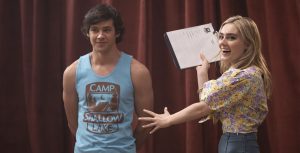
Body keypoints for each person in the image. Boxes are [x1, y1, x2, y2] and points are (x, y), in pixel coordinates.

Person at [139, 15, 272, 153]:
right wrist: (202, 73)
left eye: (231, 37)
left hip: (238, 144)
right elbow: (208, 103)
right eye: (221, 36)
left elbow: (202, 108)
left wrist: (169, 120)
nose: (222, 42)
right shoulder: (237, 73)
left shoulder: (244, 76)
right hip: (235, 143)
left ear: (248, 44)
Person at [62, 3, 154, 153]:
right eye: (94, 30)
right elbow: (72, 123)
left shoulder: (138, 72)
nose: (100, 35)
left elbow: (147, 122)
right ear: (87, 32)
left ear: (116, 33)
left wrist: (126, 148)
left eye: (106, 30)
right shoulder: (72, 72)